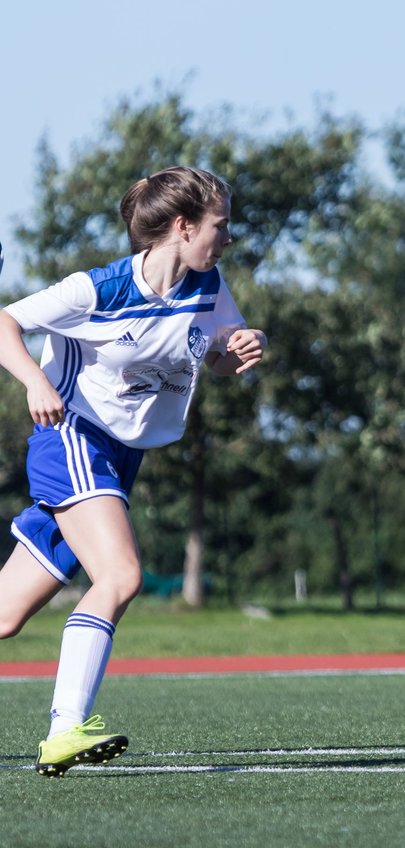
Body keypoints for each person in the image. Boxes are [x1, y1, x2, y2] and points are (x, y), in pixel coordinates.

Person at [0, 166, 266, 777]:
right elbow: (7, 322)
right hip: (71, 440)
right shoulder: (97, 289)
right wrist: (36, 382)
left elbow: (217, 353)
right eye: (220, 225)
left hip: (120, 460)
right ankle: (65, 730)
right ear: (183, 225)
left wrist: (240, 349)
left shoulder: (207, 283)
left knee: (7, 617)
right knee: (121, 576)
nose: (228, 237)